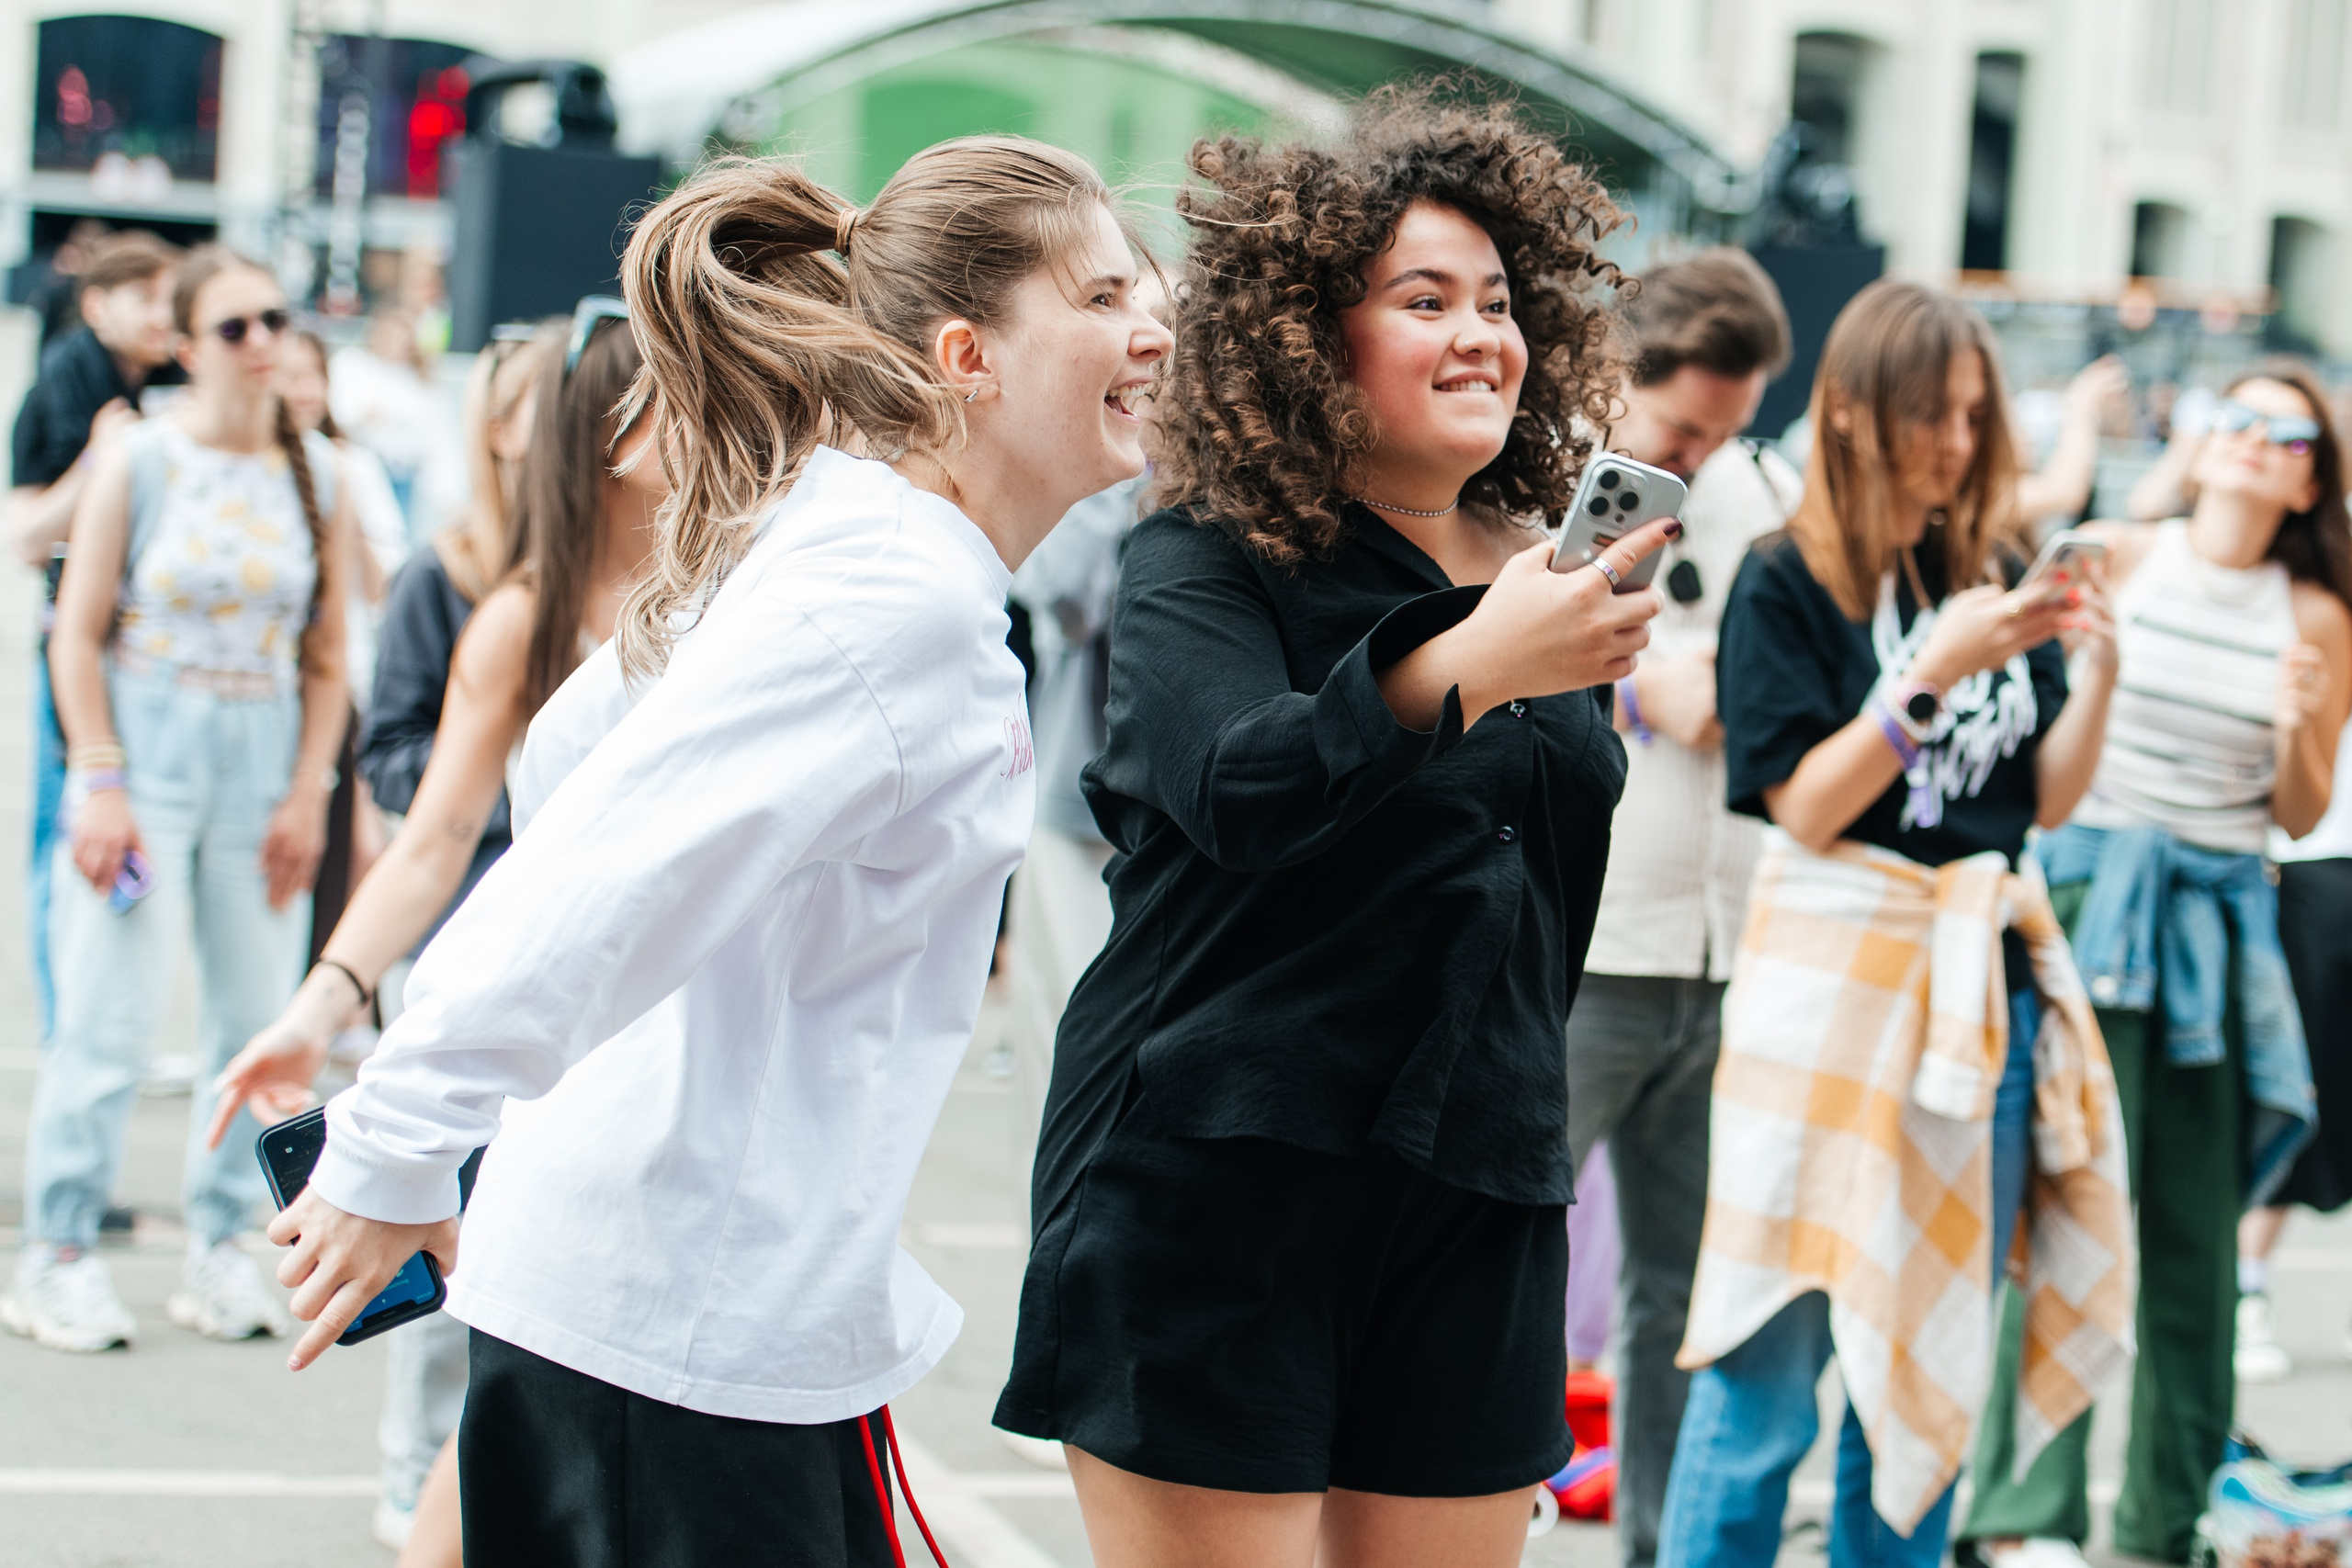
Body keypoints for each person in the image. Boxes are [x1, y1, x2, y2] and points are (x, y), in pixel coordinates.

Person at [209, 140, 1171, 1563]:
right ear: (967, 355)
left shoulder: (851, 546)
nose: (1153, 323)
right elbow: (600, 864)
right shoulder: (888, 590)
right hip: (680, 1330)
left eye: (1145, 287)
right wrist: (397, 1141)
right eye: (1101, 294)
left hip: (687, 1311)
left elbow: (573, 785)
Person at [993, 90, 1673, 1568]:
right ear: (1309, 337)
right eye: (1425, 301)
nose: (1479, 334)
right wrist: (1474, 661)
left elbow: (1547, 898)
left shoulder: (1549, 580)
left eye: (1498, 302)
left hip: (1480, 1185)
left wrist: (1521, 646)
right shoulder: (1206, 552)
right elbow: (1241, 786)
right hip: (1219, 1175)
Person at [1657, 278, 2131, 1567]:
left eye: (1975, 415)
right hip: (1833, 990)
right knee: (1765, 1367)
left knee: (1923, 1364)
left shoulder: (1986, 569)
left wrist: (2097, 664)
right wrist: (1928, 675)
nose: (1957, 443)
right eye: (1934, 412)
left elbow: (2042, 800)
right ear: (1855, 413)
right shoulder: (1784, 577)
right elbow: (1806, 805)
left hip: (1981, 992)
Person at [215, 305, 647, 1560]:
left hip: (666, 1033)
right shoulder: (515, 612)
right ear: (615, 433)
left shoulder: (740, 598)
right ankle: (421, 1496)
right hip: (531, 1009)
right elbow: (431, 837)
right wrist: (317, 1008)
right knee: (479, 1306)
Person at [1961, 359, 2352, 1568]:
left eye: (2285, 435)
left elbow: (2300, 811)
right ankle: (2025, 1518)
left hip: (2221, 924)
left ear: (2309, 481)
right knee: (2067, 1213)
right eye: (2233, 417)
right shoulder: (2120, 555)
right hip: (2090, 899)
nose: (2252, 441)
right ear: (2199, 437)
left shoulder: (2317, 614)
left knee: (2195, 1234)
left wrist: (2297, 725)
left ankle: (2163, 1519)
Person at [3, 246, 352, 1353]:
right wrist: (100, 777)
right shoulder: (142, 457)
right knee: (107, 1020)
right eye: (235, 326)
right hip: (145, 756)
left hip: (262, 764)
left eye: (275, 320)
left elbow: (328, 658)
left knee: (254, 1027)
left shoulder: (323, 474)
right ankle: (58, 1252)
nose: (263, 344)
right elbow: (76, 631)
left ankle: (221, 1245)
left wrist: (308, 793)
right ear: (187, 346)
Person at [1561, 245, 1796, 1568]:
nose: (1698, 457)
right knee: (1497, 1255)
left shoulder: (1766, 496)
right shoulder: (1552, 478)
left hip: (1729, 949)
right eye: (1682, 428)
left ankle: (1655, 1543)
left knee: (1684, 1291)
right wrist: (1640, 687)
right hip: (1593, 937)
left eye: (1723, 431)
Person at [9, 230, 182, 1043]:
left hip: (156, 653)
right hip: (79, 647)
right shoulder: (62, 387)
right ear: (96, 304)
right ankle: (67, 1026)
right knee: (70, 826)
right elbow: (23, 535)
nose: (162, 315)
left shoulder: (171, 387)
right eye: (145, 297)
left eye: (170, 299)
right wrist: (99, 461)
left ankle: (102, 1022)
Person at [2233, 715, 2352, 1383]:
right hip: (2308, 876)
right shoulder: (2313, 652)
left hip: (2310, 873)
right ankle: (2248, 1291)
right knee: (2296, 1088)